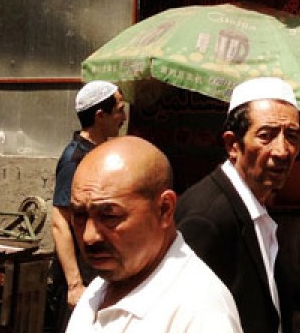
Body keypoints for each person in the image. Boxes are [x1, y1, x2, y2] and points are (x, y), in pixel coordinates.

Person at [65, 136, 242, 332]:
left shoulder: (201, 312)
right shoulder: (99, 290)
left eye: (109, 216)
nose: (90, 236)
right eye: (80, 215)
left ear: (164, 210)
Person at [175, 77, 300, 333]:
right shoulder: (206, 219)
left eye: (291, 136)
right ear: (233, 145)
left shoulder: (254, 206)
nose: (282, 151)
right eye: (266, 136)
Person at [49, 81, 127, 332]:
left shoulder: (101, 154)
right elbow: (60, 221)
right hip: (80, 277)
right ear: (100, 116)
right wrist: (74, 285)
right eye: (119, 110)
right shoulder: (74, 159)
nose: (123, 118)